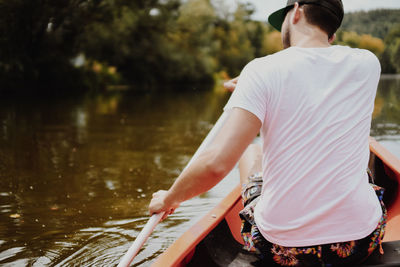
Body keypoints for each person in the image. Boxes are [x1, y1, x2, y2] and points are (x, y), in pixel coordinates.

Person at [149, 0, 386, 265]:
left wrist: (169, 198)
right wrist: (252, 83)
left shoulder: (261, 70)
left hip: (284, 250)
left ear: (296, 11)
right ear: (332, 32)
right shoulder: (367, 63)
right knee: (361, 164)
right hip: (360, 242)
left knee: (251, 152)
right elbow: (314, 76)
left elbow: (216, 164)